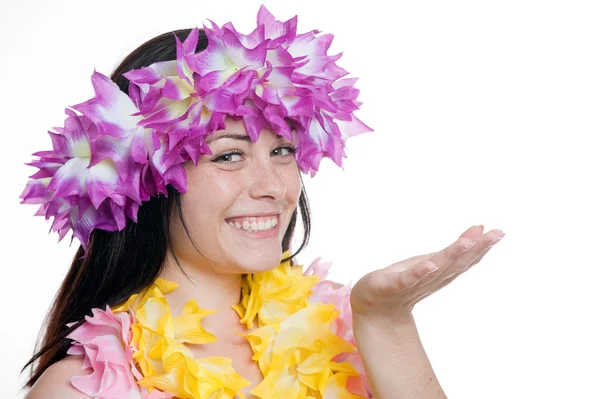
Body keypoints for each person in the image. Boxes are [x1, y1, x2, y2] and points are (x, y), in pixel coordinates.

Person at [20, 5, 505, 399]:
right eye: (229, 155)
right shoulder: (84, 388)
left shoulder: (346, 334)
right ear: (144, 181)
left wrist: (387, 321)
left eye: (282, 151)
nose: (273, 185)